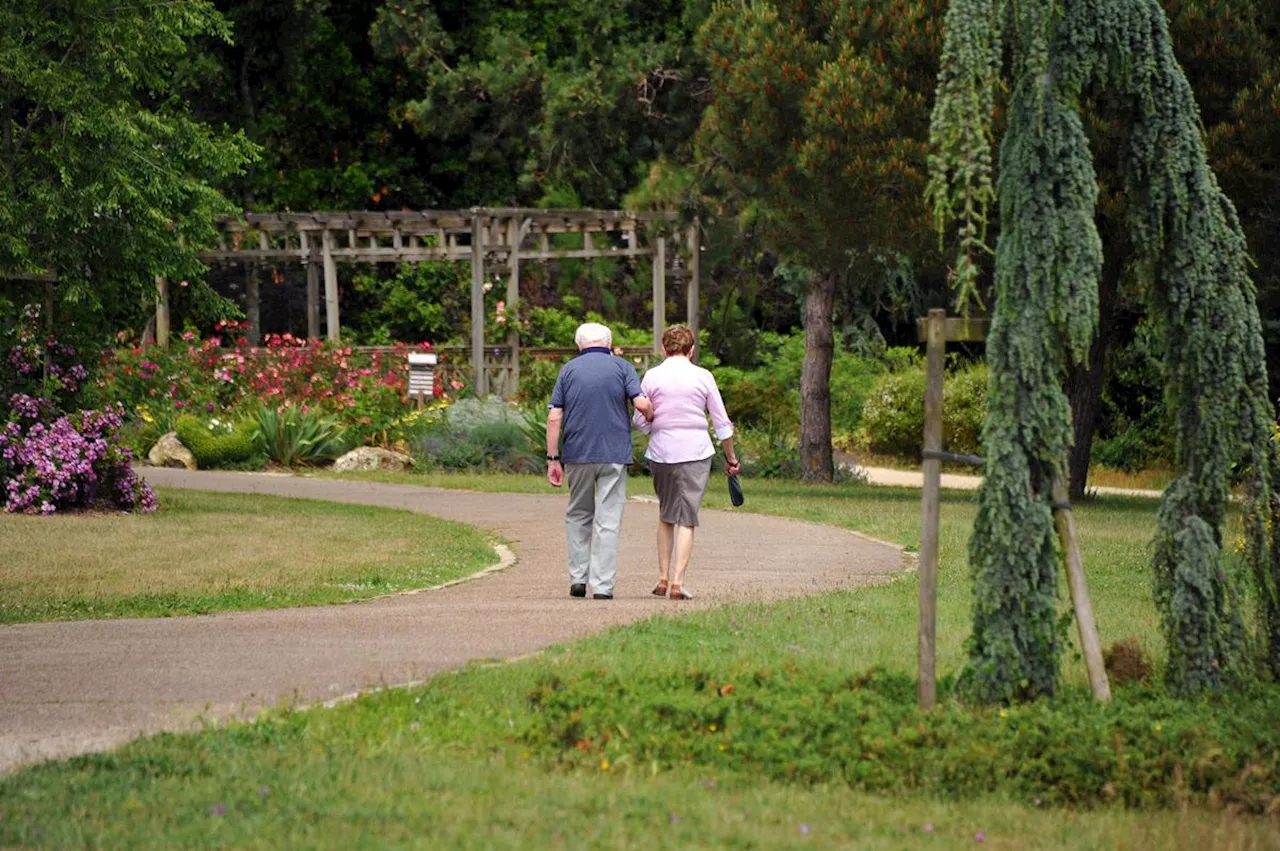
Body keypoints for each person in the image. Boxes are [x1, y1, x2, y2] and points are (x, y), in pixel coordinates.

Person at [546, 322, 653, 600]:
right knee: (608, 520)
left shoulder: (568, 370)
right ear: (608, 343)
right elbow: (641, 404)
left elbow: (555, 416)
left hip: (578, 454)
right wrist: (651, 414)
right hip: (613, 454)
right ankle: (603, 587)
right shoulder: (622, 367)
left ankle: (578, 579)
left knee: (578, 514)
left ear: (579, 345)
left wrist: (553, 459)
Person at [632, 325, 740, 600]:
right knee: (687, 517)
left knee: (667, 515)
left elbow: (640, 419)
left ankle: (662, 577)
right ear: (692, 350)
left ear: (663, 349)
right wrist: (731, 458)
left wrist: (655, 425)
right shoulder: (703, 376)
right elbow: (722, 423)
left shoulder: (652, 376)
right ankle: (678, 583)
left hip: (661, 453)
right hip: (695, 452)